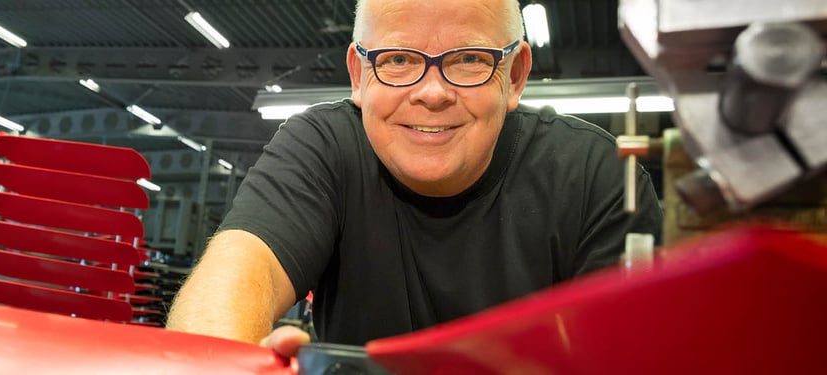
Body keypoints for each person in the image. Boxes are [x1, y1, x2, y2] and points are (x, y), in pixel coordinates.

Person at [165, 0, 663, 356]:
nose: (431, 93)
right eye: (398, 60)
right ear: (359, 77)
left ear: (514, 76)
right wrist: (225, 361)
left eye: (469, 60)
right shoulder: (322, 146)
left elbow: (635, 354)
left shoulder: (596, 174)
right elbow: (237, 274)